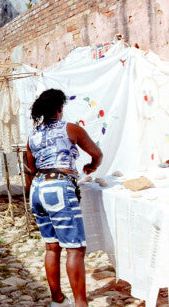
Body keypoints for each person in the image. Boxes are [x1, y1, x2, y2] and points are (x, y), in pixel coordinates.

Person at [26, 89, 102, 307]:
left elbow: (32, 167)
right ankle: (80, 304)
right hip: (59, 187)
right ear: (60, 109)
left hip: (38, 189)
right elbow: (97, 154)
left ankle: (57, 300)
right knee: (75, 249)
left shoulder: (33, 135)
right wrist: (91, 166)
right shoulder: (71, 129)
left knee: (52, 247)